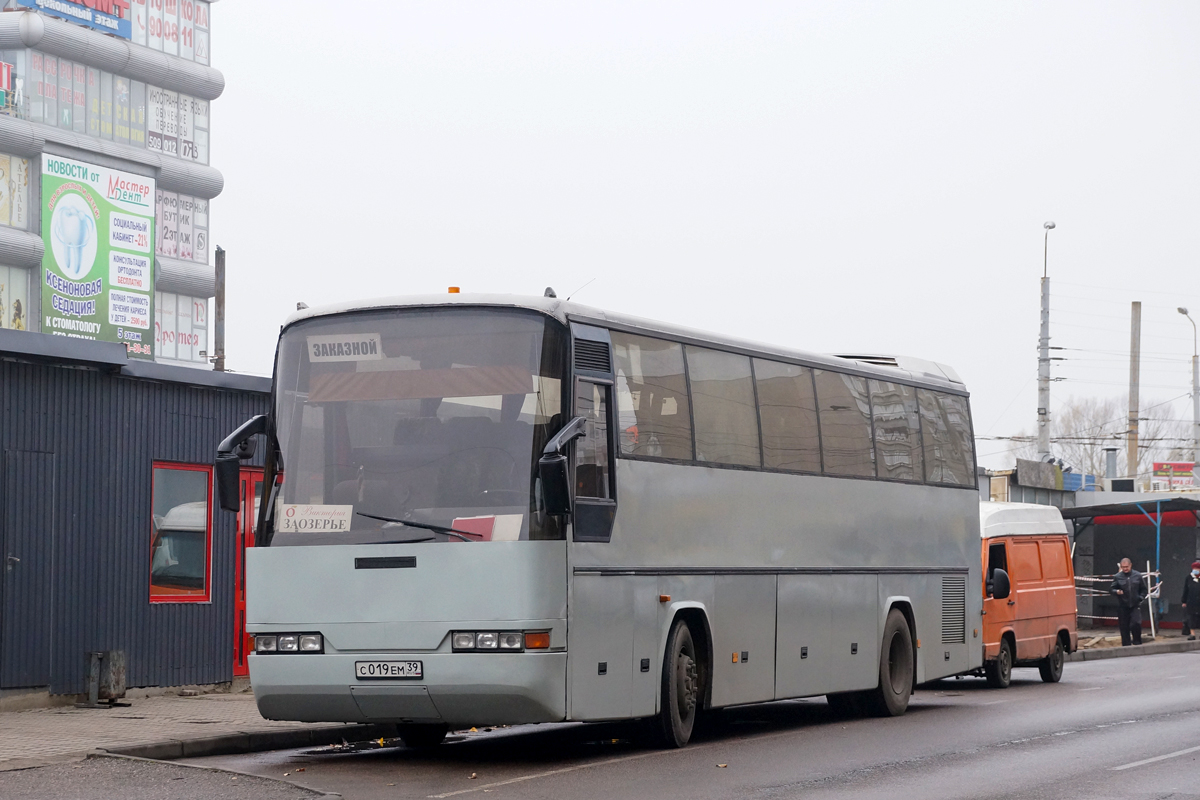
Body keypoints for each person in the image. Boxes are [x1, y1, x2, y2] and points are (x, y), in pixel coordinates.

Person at [1110, 558, 1148, 646]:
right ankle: (1126, 645)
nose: (1125, 569)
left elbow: (1144, 589)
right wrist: (1117, 592)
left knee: (1136, 623)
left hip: (1135, 605)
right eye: (1123, 567)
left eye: (1126, 567)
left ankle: (1137, 642)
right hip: (1123, 605)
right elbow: (1111, 589)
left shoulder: (1137, 576)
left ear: (1130, 565)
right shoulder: (1118, 577)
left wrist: (1141, 597)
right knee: (1124, 627)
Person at [1182, 560, 1200, 641]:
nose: (1195, 570)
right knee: (1191, 618)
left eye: (1197, 568)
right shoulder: (1189, 577)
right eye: (1194, 568)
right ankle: (1192, 634)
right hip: (1191, 602)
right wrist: (1184, 601)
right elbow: (1185, 590)